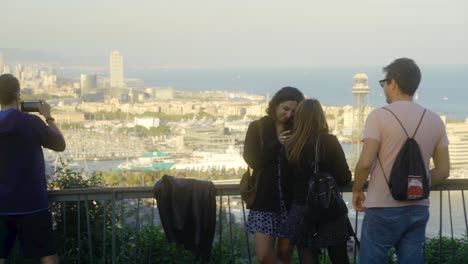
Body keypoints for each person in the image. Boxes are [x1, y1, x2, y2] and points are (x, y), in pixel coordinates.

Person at [352, 58, 450, 263]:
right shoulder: (434, 120)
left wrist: (357, 190)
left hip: (382, 207)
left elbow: (364, 163)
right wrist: (415, 184)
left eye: (384, 83)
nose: (384, 88)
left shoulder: (378, 116)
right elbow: (443, 170)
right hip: (418, 206)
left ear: (393, 83)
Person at [0, 74, 66, 264]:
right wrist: (48, 117)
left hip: (1, 204)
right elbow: (59, 144)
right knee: (47, 256)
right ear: (18, 95)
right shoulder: (30, 122)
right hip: (32, 203)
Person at [281, 98, 352, 263]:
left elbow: (285, 186)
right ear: (321, 117)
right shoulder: (330, 142)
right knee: (339, 257)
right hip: (329, 208)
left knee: (307, 258)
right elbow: (345, 177)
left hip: (301, 210)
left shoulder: (290, 146)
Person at [243, 86, 305, 264]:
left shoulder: (297, 130)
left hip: (291, 201)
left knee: (285, 253)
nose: (289, 115)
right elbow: (252, 160)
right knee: (264, 255)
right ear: (275, 105)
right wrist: (277, 144)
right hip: (264, 200)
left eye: (294, 111)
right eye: (285, 109)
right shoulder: (258, 127)